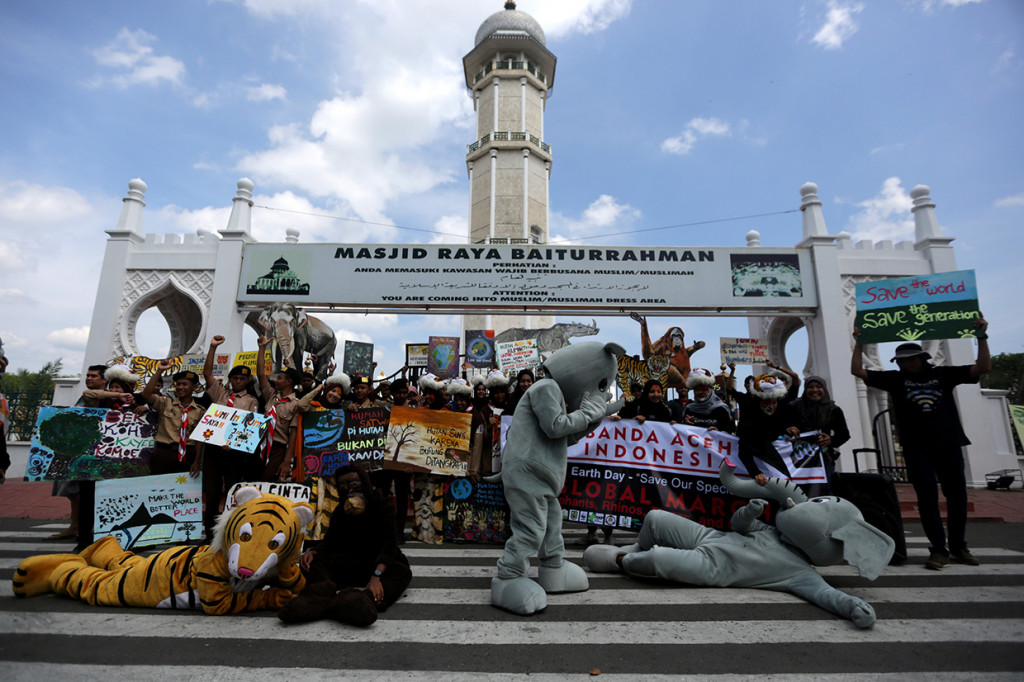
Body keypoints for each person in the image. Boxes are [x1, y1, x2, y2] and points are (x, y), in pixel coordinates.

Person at [851, 317, 990, 570]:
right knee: (927, 499)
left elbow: (981, 367)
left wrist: (981, 337)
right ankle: (938, 549)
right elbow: (858, 371)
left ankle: (959, 546)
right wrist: (859, 343)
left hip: (948, 443)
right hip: (917, 449)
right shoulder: (895, 379)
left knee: (957, 496)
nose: (905, 363)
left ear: (923, 358)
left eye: (910, 359)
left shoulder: (943, 375)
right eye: (901, 360)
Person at [278, 462, 411, 626]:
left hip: (377, 564)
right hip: (350, 562)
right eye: (343, 486)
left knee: (402, 572)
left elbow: (389, 545)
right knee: (312, 563)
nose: (348, 489)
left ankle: (363, 600)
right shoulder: (341, 511)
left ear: (364, 483)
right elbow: (331, 541)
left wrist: (376, 576)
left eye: (353, 484)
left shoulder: (383, 505)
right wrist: (314, 552)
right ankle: (319, 595)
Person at [201, 336, 262, 539]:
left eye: (242, 379)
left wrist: (233, 444)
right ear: (230, 379)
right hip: (213, 450)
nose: (237, 382)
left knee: (232, 491)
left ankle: (228, 529)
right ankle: (210, 533)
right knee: (212, 491)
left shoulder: (251, 401)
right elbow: (207, 373)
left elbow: (249, 428)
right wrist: (212, 348)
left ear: (247, 381)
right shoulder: (220, 394)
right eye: (235, 378)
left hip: (234, 453)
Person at [49, 364, 108, 540]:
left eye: (94, 376)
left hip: (92, 454)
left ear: (104, 380)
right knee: (73, 492)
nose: (89, 378)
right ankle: (74, 526)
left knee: (85, 493)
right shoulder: (85, 397)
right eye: (88, 375)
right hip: (75, 451)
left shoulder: (103, 398)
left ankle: (87, 526)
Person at [782, 376, 850, 493]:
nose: (814, 390)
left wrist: (831, 440)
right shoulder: (793, 407)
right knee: (797, 491)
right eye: (810, 387)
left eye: (819, 387)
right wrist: (787, 430)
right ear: (805, 389)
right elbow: (780, 429)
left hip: (824, 459)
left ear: (824, 389)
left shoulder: (833, 410)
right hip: (797, 461)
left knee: (824, 491)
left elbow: (844, 434)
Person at [141, 361, 203, 477]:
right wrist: (159, 371)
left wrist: (196, 461)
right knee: (159, 486)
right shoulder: (165, 402)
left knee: (182, 490)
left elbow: (199, 439)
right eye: (178, 384)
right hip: (164, 452)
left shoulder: (200, 411)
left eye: (184, 384)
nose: (180, 387)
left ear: (194, 387)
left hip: (187, 453)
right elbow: (146, 394)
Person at [256, 335, 302, 482]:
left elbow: (293, 434)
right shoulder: (271, 396)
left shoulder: (296, 404)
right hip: (258, 444)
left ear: (289, 382)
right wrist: (262, 348)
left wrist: (287, 460)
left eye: (280, 378)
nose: (276, 380)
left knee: (267, 480)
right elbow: (261, 374)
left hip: (278, 448)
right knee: (253, 480)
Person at [679, 368, 735, 433]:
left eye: (704, 389)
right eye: (697, 389)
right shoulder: (689, 409)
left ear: (710, 391)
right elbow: (683, 433)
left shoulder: (721, 409)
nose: (700, 392)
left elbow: (729, 433)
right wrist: (684, 424)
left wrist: (718, 432)